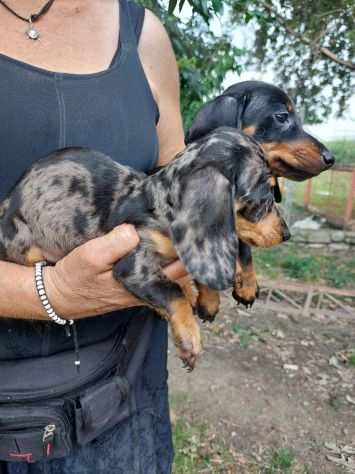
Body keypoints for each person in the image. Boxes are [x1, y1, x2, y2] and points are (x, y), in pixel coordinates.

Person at [0, 0, 186, 472]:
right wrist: (50, 292)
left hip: (123, 396)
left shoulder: (144, 34)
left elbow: (174, 173)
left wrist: (198, 234)